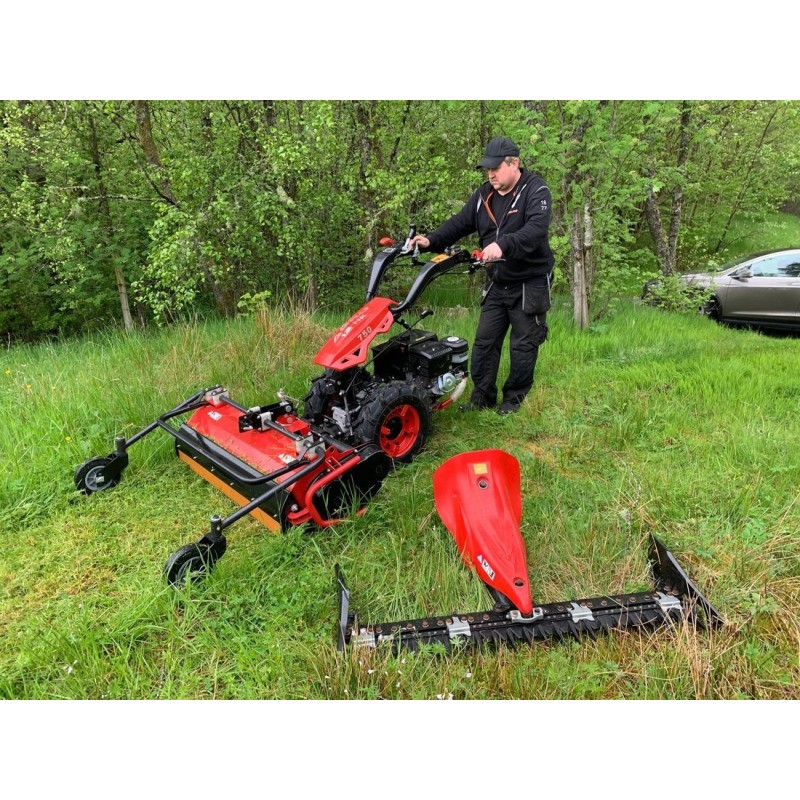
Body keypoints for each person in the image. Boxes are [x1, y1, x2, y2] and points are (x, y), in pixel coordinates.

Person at [411, 136, 554, 415]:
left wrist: (503, 244)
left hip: (530, 282)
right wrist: (431, 240)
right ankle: (483, 398)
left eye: (495, 168)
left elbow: (536, 230)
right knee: (485, 343)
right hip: (498, 282)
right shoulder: (483, 196)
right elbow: (459, 223)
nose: (490, 174)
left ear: (514, 163)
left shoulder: (535, 190)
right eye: (487, 169)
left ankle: (513, 401)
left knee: (523, 345)